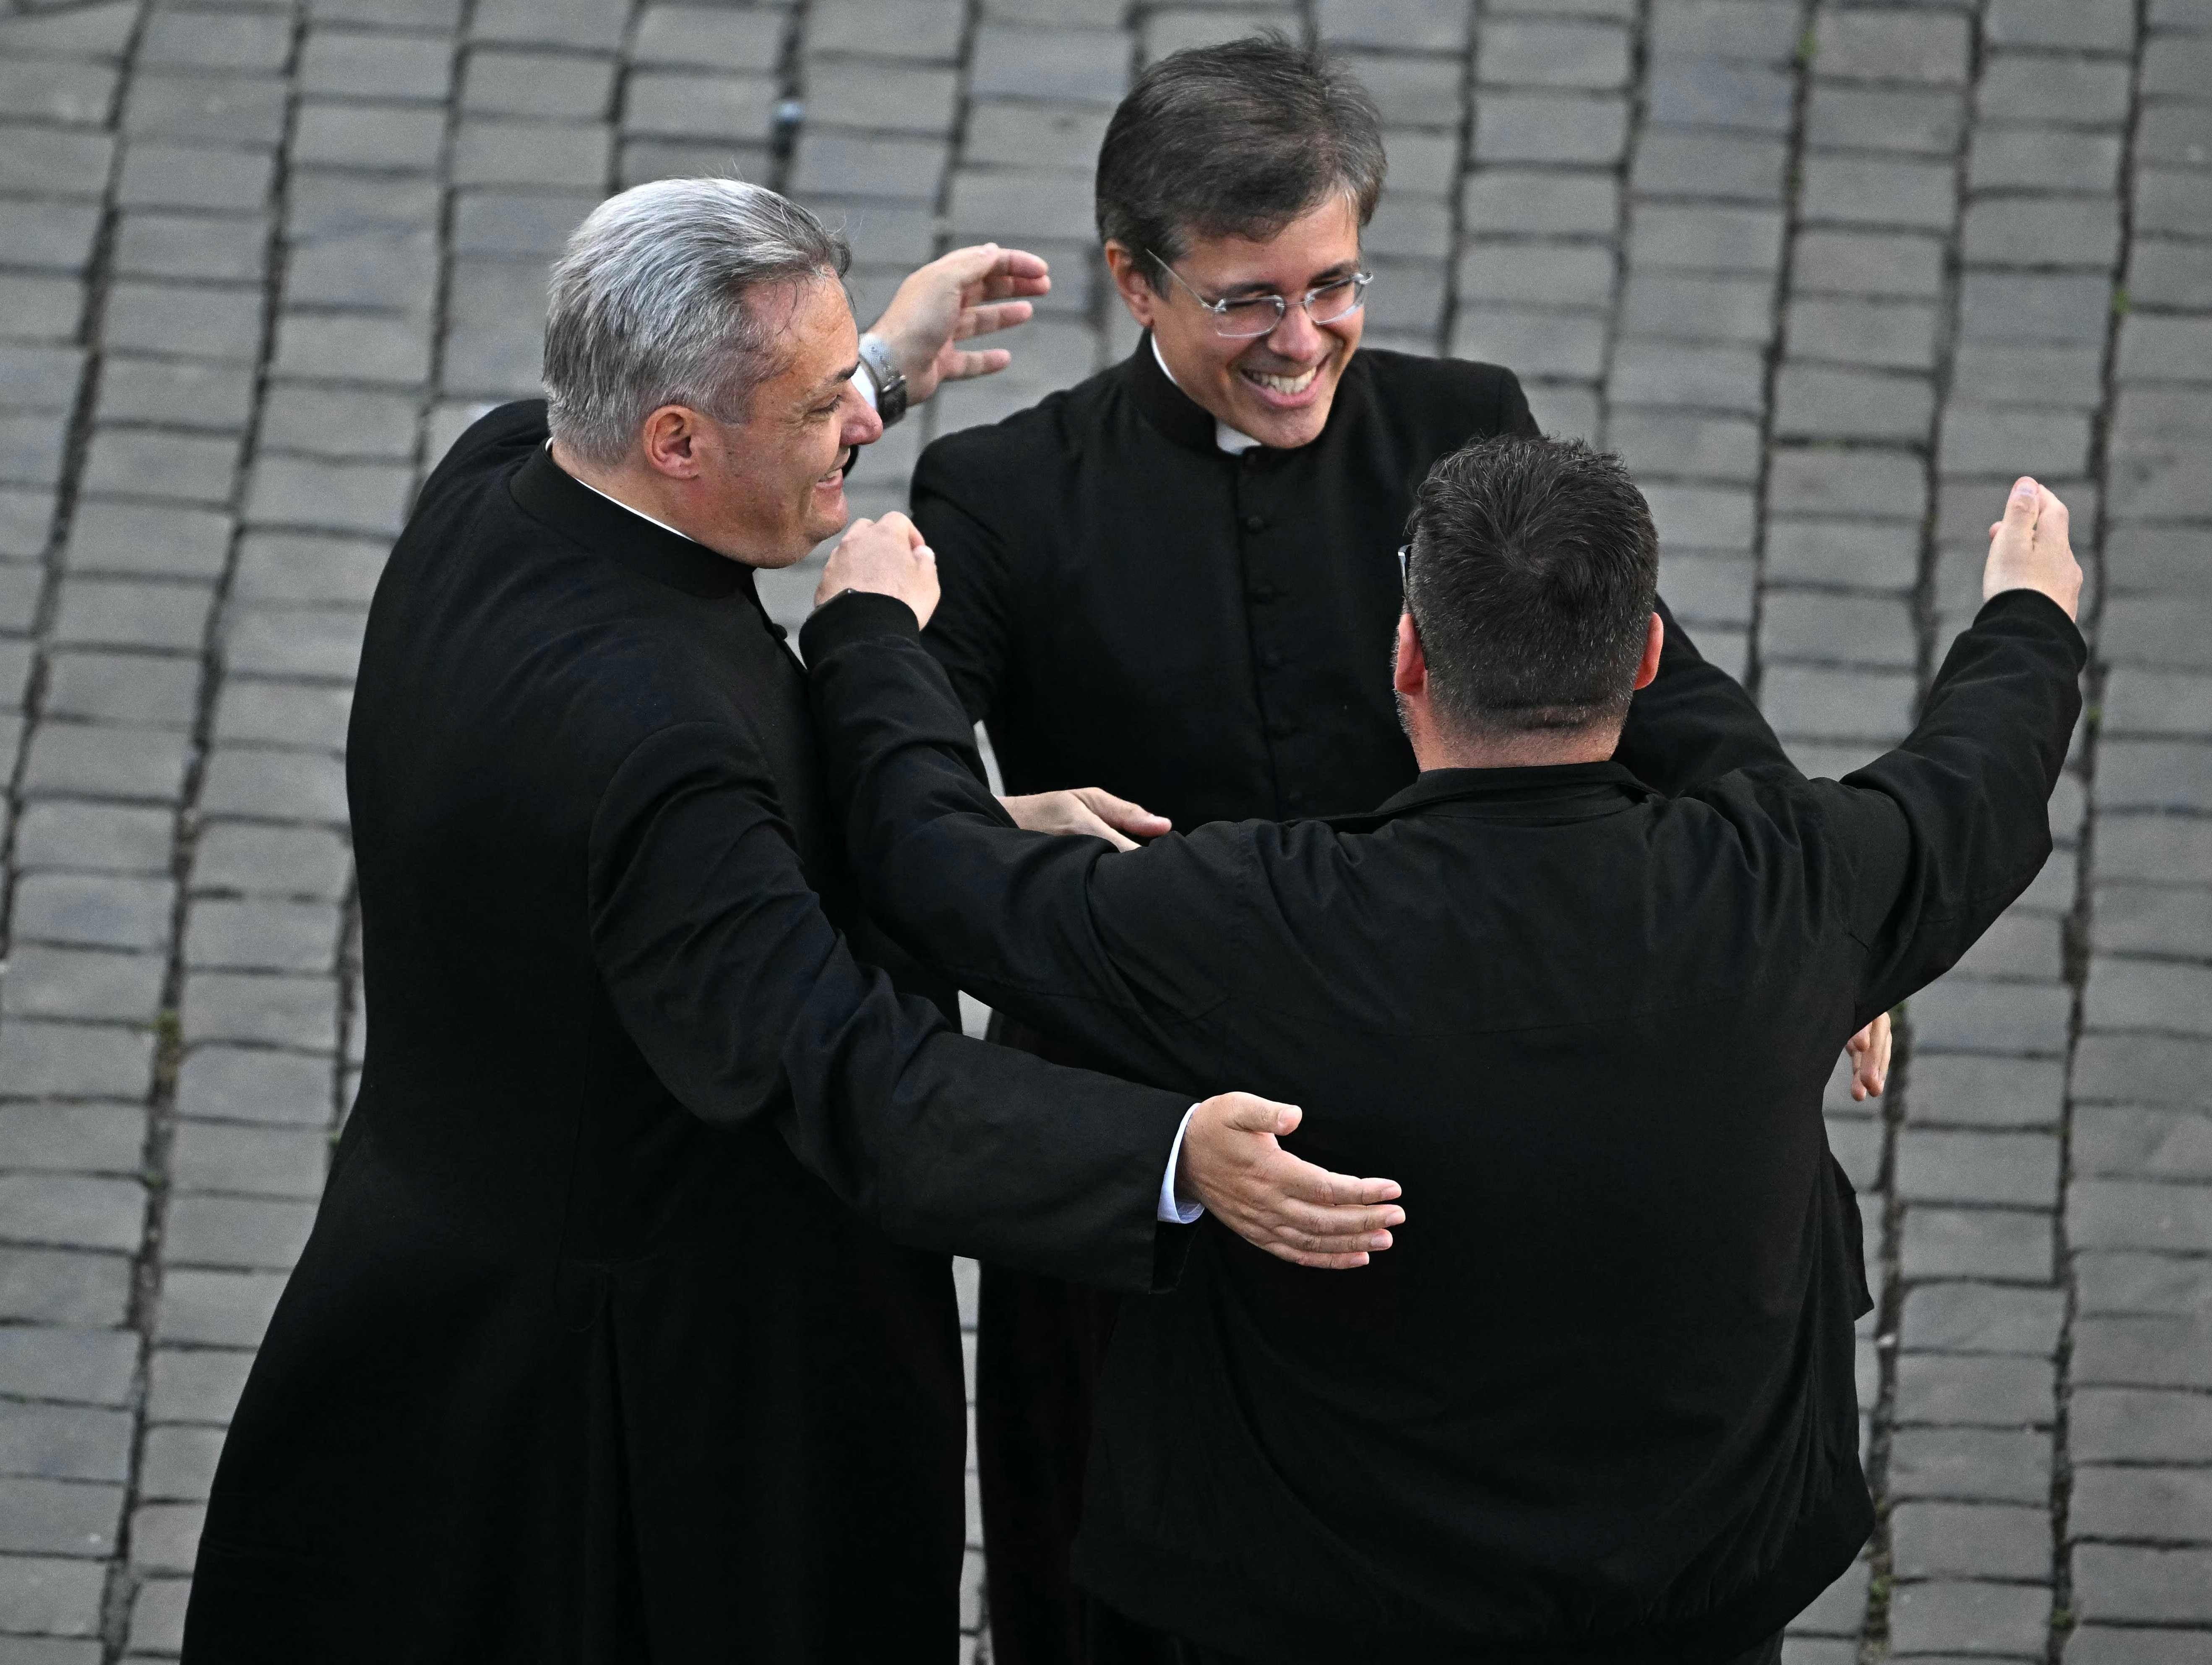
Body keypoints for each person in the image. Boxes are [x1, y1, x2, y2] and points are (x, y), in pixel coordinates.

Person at [182, 179, 1404, 1664]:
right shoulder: (659, 750)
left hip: (421, 1278)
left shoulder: (503, 474)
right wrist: (1161, 1153)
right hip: (631, 1398)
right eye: (827, 404)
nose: (861, 436)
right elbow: (850, 1074)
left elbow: (680, 852)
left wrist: (886, 359)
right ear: (679, 440)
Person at [905, 39, 1889, 1657]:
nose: (1305, 345)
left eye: (1334, 285)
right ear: (1134, 283)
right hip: (1165, 1149)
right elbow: (887, 744)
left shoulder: (1463, 424)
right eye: (1246, 303)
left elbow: (1673, 692)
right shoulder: (1007, 494)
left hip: (1454, 1091)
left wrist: (1807, 904)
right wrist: (995, 811)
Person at [802, 438, 2089, 1663]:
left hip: (1326, 1600)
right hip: (1695, 1577)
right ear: (1645, 659)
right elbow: (1978, 775)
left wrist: (869, 639)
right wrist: (2028, 613)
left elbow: (940, 870)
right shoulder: (1791, 883)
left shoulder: (1260, 920)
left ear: (1409, 657)